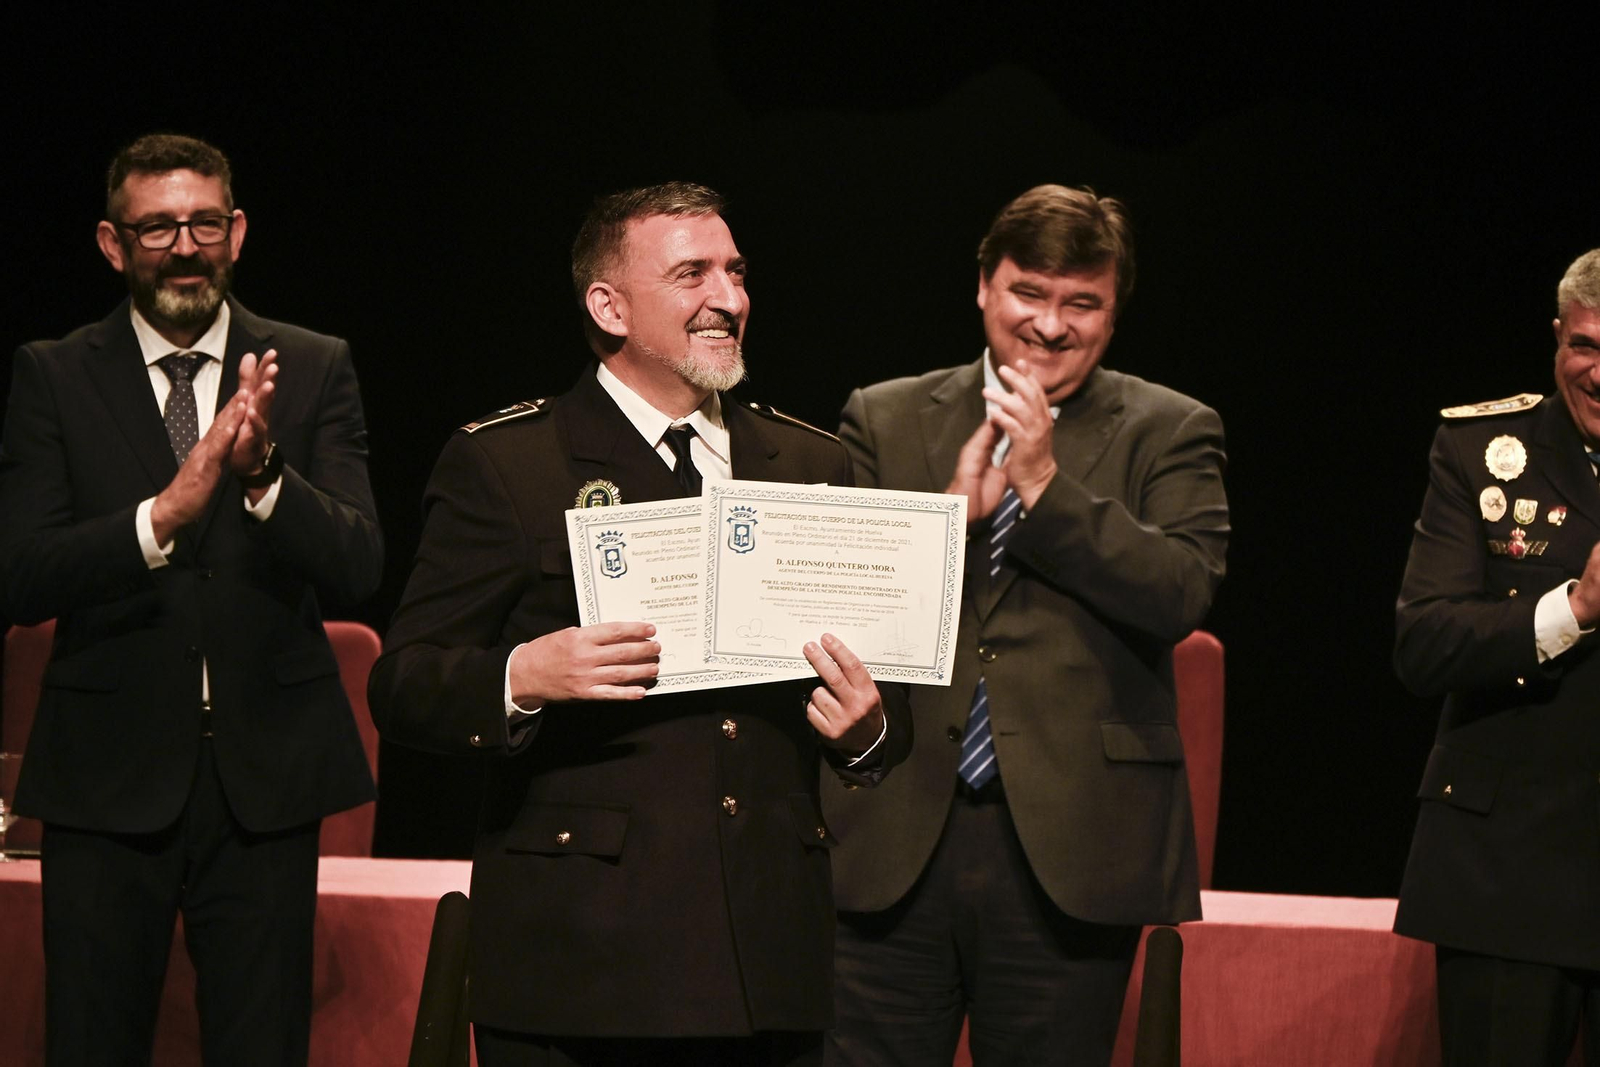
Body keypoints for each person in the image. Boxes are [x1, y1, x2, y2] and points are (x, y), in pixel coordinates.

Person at [368, 182, 910, 1066]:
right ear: (608, 306)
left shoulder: (811, 460)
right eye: (691, 273)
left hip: (767, 961)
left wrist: (868, 728)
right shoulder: (509, 462)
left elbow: (880, 704)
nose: (728, 299)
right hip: (586, 959)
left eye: (735, 272)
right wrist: (522, 676)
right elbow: (402, 682)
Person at [822, 184, 1229, 1066]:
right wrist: (947, 523)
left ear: (1113, 312)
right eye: (1028, 293)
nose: (1050, 325)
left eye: (1081, 302)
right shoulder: (883, 416)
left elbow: (1182, 591)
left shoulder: (1171, 429)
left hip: (1075, 846)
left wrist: (1045, 486)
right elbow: (833, 600)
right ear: (983, 285)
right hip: (895, 830)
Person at [0, 133, 382, 1063]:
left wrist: (264, 481)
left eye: (204, 222)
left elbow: (362, 565)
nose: (183, 245)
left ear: (237, 231)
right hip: (105, 776)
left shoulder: (313, 363)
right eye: (157, 226)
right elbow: (22, 572)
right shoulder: (53, 372)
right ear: (111, 241)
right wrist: (161, 517)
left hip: (264, 780)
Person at [1394, 249, 1600, 1065]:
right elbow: (1424, 642)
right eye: (1587, 346)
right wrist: (1572, 610)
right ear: (1556, 337)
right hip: (1509, 876)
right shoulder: (1482, 451)